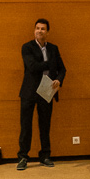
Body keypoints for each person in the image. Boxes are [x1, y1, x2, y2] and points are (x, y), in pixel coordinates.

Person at [18, 18, 66, 169]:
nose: (40, 31)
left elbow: (62, 69)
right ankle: (23, 157)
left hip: (46, 91)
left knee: (45, 126)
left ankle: (45, 156)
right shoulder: (27, 47)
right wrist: (51, 64)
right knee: (26, 126)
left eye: (43, 29)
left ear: (47, 32)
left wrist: (58, 79)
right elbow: (32, 66)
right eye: (37, 28)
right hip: (29, 92)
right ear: (34, 31)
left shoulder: (53, 48)